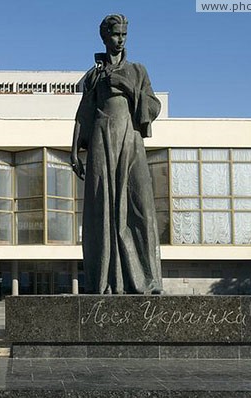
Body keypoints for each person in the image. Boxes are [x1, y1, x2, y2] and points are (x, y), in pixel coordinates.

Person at [71, 14, 162, 294]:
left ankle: (147, 280)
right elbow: (83, 114)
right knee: (102, 208)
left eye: (123, 34)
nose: (119, 39)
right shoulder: (94, 74)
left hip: (130, 139)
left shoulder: (137, 70)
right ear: (104, 37)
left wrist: (126, 86)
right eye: (114, 34)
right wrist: (75, 150)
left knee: (140, 206)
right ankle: (107, 279)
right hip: (101, 138)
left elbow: (152, 104)